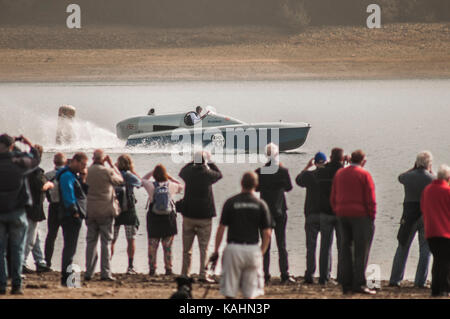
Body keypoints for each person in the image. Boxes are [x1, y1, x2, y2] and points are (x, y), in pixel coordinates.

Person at [211, 172, 272, 299]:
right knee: (250, 294)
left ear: (241, 183)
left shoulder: (230, 202)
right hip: (252, 249)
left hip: (233, 249)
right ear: (256, 184)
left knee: (229, 292)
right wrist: (261, 252)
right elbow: (267, 233)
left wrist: (216, 251)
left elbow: (221, 229)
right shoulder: (261, 204)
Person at [330, 149, 377, 295]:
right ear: (363, 161)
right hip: (360, 216)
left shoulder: (340, 173)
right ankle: (359, 284)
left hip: (342, 214)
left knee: (346, 249)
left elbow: (333, 195)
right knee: (361, 251)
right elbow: (370, 197)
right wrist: (372, 215)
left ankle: (346, 284)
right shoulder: (364, 174)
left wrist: (337, 210)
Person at [0, 134, 40, 295]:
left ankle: (1, 285)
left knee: (0, 251)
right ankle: (17, 285)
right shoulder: (19, 162)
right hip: (17, 212)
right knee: (17, 249)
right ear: (11, 147)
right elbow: (35, 157)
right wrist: (27, 143)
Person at [389, 151, 434, 288]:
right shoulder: (433, 178)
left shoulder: (408, 177)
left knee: (403, 246)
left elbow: (400, 177)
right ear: (429, 164)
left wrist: (413, 168)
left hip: (409, 215)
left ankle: (395, 279)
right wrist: (430, 171)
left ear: (416, 163)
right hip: (426, 215)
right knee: (425, 249)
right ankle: (420, 281)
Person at [179, 151, 222, 281]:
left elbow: (182, 171)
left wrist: (195, 159)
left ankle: (185, 274)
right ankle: (203, 274)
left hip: (189, 215)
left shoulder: (188, 173)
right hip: (204, 215)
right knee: (204, 248)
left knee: (187, 249)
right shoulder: (208, 174)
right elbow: (219, 174)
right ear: (204, 162)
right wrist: (209, 161)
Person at [255, 143, 294, 284]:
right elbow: (289, 188)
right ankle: (284, 274)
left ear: (266, 155)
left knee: (265, 244)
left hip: (265, 211)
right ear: (277, 154)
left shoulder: (260, 171)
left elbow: (256, 188)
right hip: (280, 210)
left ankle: (264, 275)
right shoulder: (283, 171)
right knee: (281, 244)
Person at [84, 150, 123, 282]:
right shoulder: (107, 171)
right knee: (106, 242)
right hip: (106, 211)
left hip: (90, 211)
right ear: (103, 159)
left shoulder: (87, 171)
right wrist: (112, 165)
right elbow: (120, 180)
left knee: (90, 242)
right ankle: (105, 273)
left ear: (93, 158)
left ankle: (89, 272)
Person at [142, 164, 183, 276]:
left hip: (154, 218)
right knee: (168, 246)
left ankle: (152, 269)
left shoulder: (151, 185)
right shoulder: (171, 185)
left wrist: (152, 171)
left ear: (155, 175)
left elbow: (142, 180)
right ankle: (168, 269)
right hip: (168, 219)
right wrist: (169, 177)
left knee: (152, 245)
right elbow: (182, 186)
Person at [296, 151, 328, 284]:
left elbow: (298, 180)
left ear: (315, 163)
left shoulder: (309, 175)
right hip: (326, 215)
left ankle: (309, 274)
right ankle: (325, 276)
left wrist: (307, 167)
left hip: (311, 214)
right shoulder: (330, 175)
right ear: (325, 162)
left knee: (311, 247)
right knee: (326, 247)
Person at [57, 152, 89, 286]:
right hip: (70, 216)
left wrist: (83, 178)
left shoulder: (73, 176)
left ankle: (67, 276)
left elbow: (82, 193)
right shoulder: (67, 176)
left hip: (74, 215)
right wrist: (74, 211)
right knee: (70, 247)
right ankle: (66, 278)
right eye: (82, 164)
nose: (84, 167)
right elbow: (68, 194)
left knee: (71, 247)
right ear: (75, 161)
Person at [421, 164, 450, 297]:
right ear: (448, 178)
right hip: (445, 231)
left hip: (431, 231)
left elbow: (423, 207)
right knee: (445, 261)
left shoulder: (427, 190)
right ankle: (443, 288)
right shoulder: (447, 191)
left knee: (438, 260)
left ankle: (435, 288)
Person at [23, 144, 53, 274]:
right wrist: (49, 183)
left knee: (36, 236)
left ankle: (40, 262)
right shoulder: (36, 171)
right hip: (34, 208)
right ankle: (21, 263)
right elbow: (41, 186)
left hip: (24, 206)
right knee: (30, 239)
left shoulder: (23, 169)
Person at [111, 154, 142, 275]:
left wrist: (113, 167)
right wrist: (133, 171)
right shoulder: (129, 175)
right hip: (129, 210)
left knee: (112, 240)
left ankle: (107, 264)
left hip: (115, 210)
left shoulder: (113, 174)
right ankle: (130, 266)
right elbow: (140, 183)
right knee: (131, 239)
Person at [44, 152, 67, 269]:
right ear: (65, 162)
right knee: (67, 236)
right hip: (65, 207)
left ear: (54, 162)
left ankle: (47, 262)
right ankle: (66, 263)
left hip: (53, 207)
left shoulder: (48, 175)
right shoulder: (68, 174)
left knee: (51, 235)